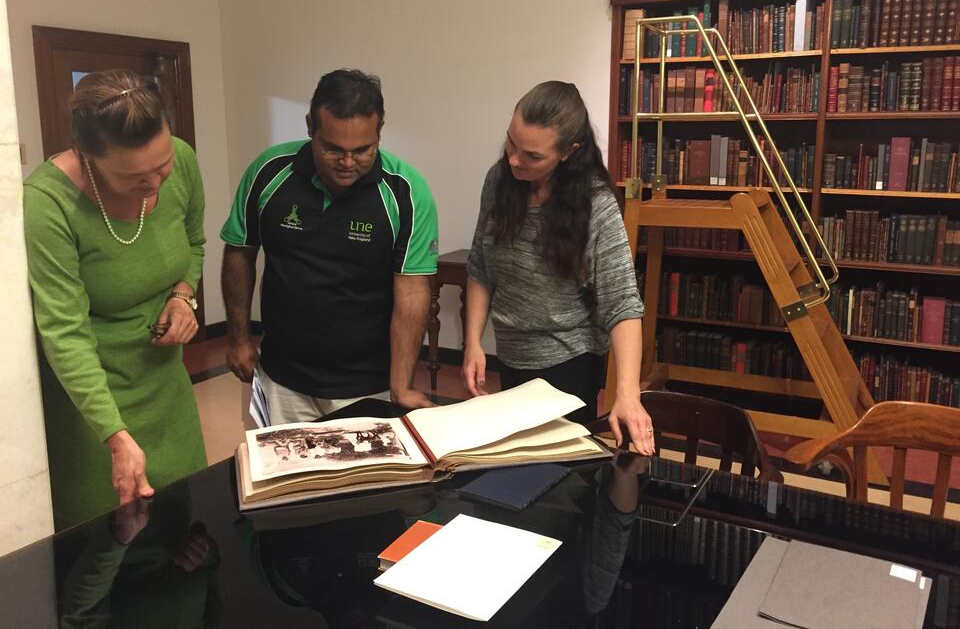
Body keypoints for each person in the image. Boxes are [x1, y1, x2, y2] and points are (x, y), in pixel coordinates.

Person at [23, 69, 207, 530]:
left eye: (161, 167)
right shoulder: (47, 204)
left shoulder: (180, 158)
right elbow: (64, 331)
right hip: (93, 406)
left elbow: (195, 242)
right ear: (87, 157)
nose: (155, 183)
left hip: (166, 387)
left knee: (181, 533)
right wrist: (115, 436)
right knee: (106, 541)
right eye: (134, 177)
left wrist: (184, 297)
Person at [221, 69, 438, 423]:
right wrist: (238, 338)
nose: (348, 163)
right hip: (281, 380)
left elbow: (412, 289)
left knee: (368, 480)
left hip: (368, 386)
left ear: (379, 131)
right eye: (333, 149)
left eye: (362, 150)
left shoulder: (406, 192)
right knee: (281, 477)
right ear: (310, 126)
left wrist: (400, 386)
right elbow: (240, 252)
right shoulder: (269, 172)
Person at [463, 80, 655, 454]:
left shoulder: (594, 203)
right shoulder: (500, 179)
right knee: (512, 462)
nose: (515, 159)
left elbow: (623, 303)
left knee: (559, 481)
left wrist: (628, 392)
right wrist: (472, 342)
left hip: (570, 362)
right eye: (511, 144)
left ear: (569, 152)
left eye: (532, 156)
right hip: (512, 354)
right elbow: (480, 266)